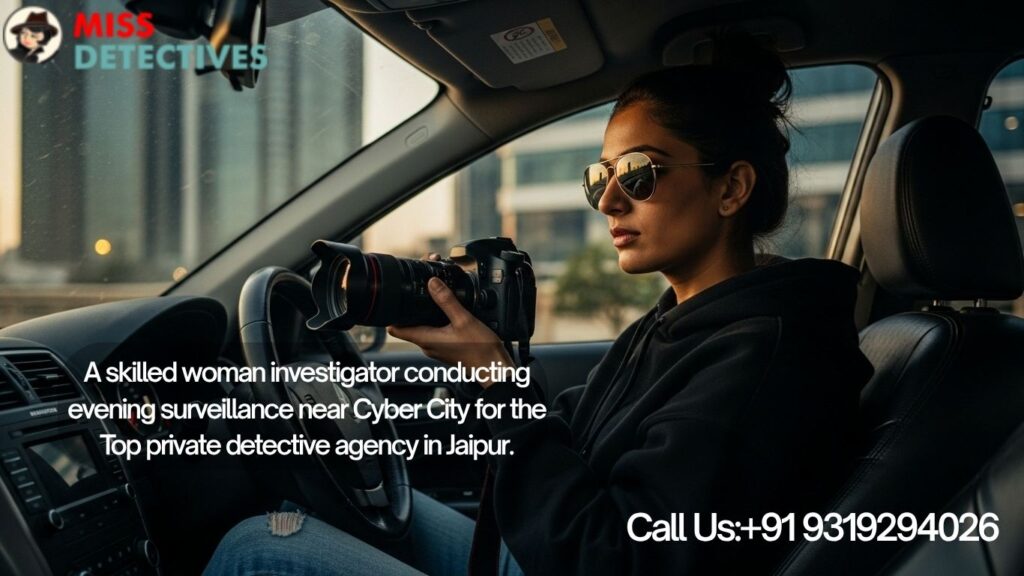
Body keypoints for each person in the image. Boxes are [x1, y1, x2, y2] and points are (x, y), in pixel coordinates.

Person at [204, 31, 873, 576]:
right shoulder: (681, 321)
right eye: (600, 177)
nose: (610, 201)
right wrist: (473, 377)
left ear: (732, 189)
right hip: (556, 547)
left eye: (638, 173)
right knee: (319, 510)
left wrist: (496, 382)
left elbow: (616, 558)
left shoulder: (766, 358)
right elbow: (564, 439)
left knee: (263, 549)